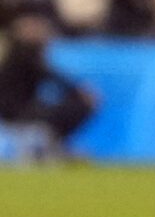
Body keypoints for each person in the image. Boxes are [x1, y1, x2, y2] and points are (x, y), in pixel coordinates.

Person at [0, 12, 97, 156]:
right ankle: (56, 147)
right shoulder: (21, 56)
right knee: (78, 106)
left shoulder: (23, 56)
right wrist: (78, 90)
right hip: (19, 112)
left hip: (24, 108)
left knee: (66, 105)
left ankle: (54, 145)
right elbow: (50, 75)